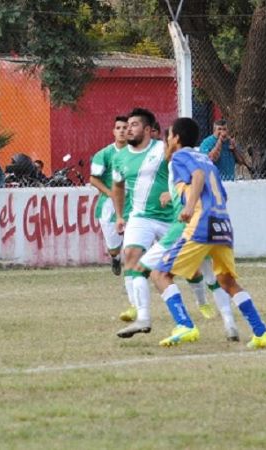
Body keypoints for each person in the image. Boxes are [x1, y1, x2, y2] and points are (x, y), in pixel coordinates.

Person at [150, 117, 266, 348]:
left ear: (176, 138)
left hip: (202, 223)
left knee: (160, 275)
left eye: (168, 137)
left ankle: (185, 325)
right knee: (227, 281)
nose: (166, 141)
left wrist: (188, 207)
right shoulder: (206, 159)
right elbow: (221, 194)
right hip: (223, 224)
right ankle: (261, 332)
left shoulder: (180, 157)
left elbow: (196, 177)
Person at [112, 108, 173, 338]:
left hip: (170, 218)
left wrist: (175, 193)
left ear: (148, 130)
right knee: (132, 259)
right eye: (127, 125)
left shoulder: (162, 148)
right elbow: (117, 187)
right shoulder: (120, 157)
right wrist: (120, 215)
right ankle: (143, 318)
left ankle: (205, 301)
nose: (129, 128)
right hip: (140, 218)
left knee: (194, 268)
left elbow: (183, 169)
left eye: (134, 124)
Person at [89, 116, 127, 280]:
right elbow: (93, 179)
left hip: (133, 203)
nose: (122, 131)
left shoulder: (138, 153)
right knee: (114, 247)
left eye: (125, 128)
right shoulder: (104, 154)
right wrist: (111, 193)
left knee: (135, 243)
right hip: (109, 206)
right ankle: (115, 258)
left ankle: (137, 275)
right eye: (118, 128)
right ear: (113, 132)